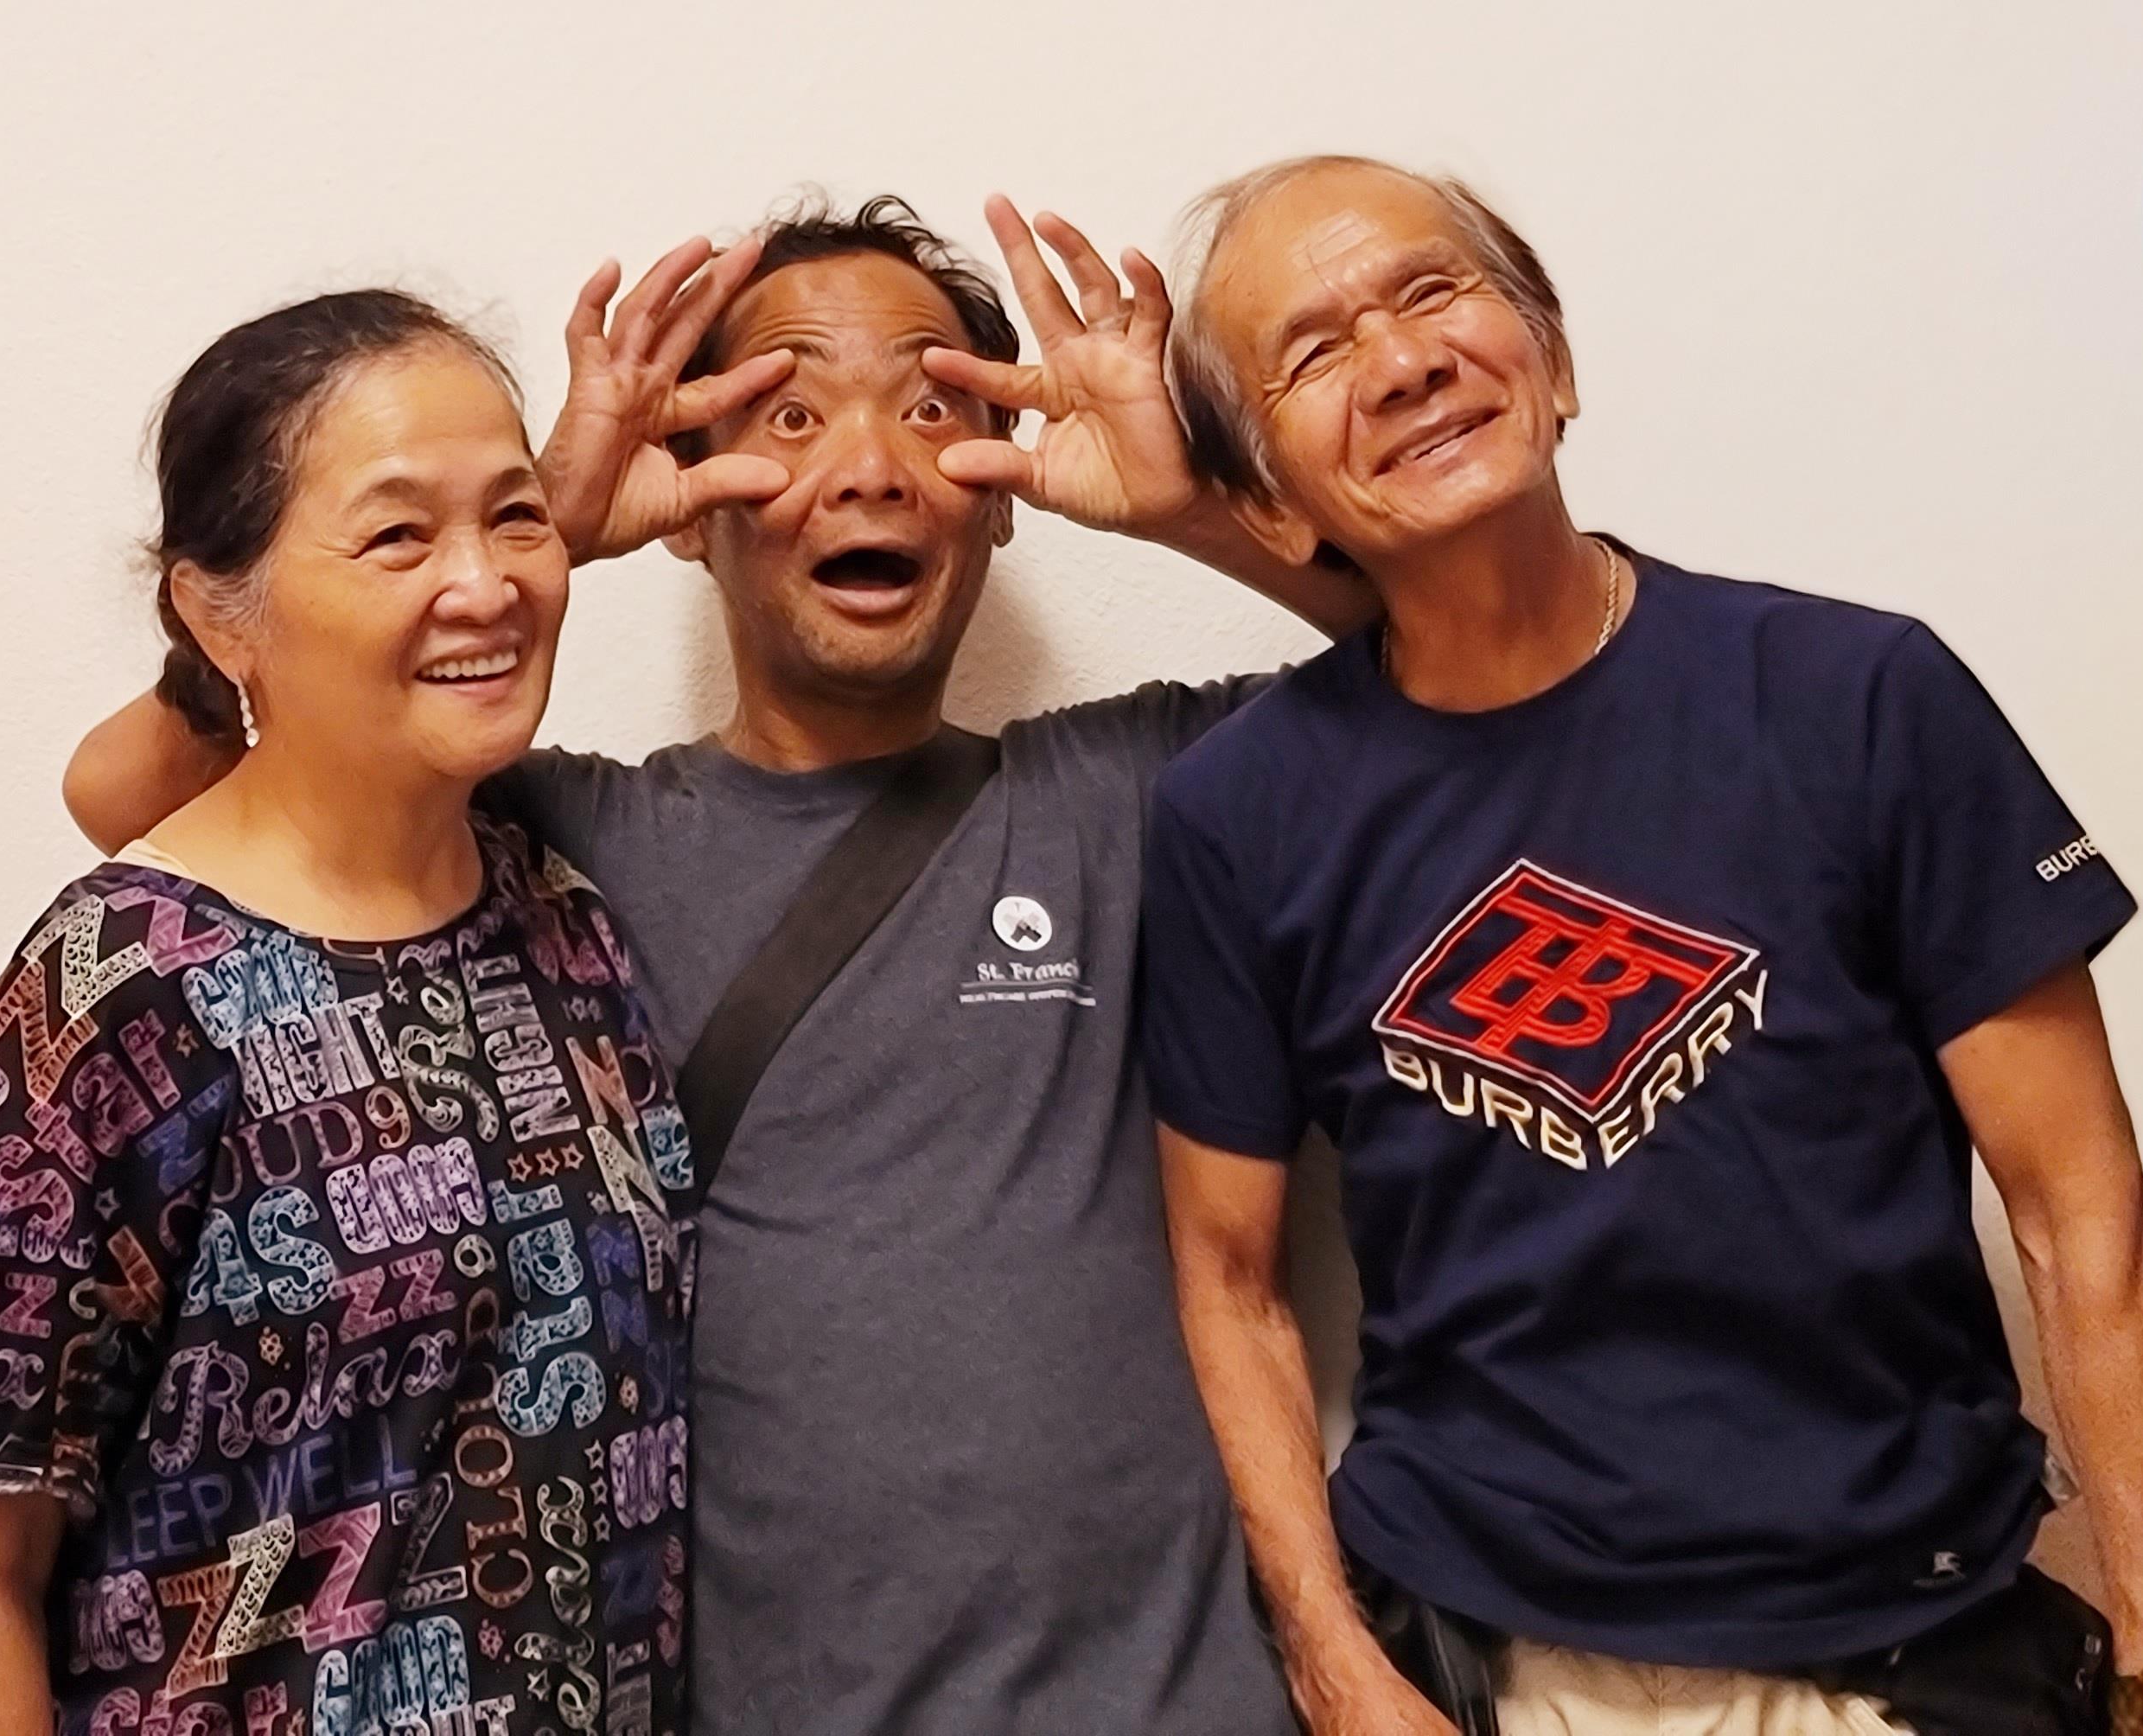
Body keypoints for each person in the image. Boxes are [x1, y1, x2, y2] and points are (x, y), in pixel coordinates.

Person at [70, 196, 1370, 1736]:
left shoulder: (1134, 787)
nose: (873, 465)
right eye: (792, 415)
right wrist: (533, 518)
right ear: (693, 504)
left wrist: (1188, 510)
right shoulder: (559, 842)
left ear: (1005, 492)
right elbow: (136, 801)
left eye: (939, 408)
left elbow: (1456, 669)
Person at [1139, 156, 2143, 1736]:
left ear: (1557, 359)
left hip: (1904, 1647)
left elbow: (2084, 1214)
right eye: (1314, 353)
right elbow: (1230, 1278)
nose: (1401, 362)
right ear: (1262, 499)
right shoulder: (1235, 814)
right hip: (1496, 1659)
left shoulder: (1859, 697)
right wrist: (1335, 1665)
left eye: (1434, 291)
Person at [0, 291, 697, 1736]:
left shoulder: (570, 912)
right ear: (215, 610)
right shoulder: (120, 994)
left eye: (516, 518)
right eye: (394, 535)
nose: (486, 585)